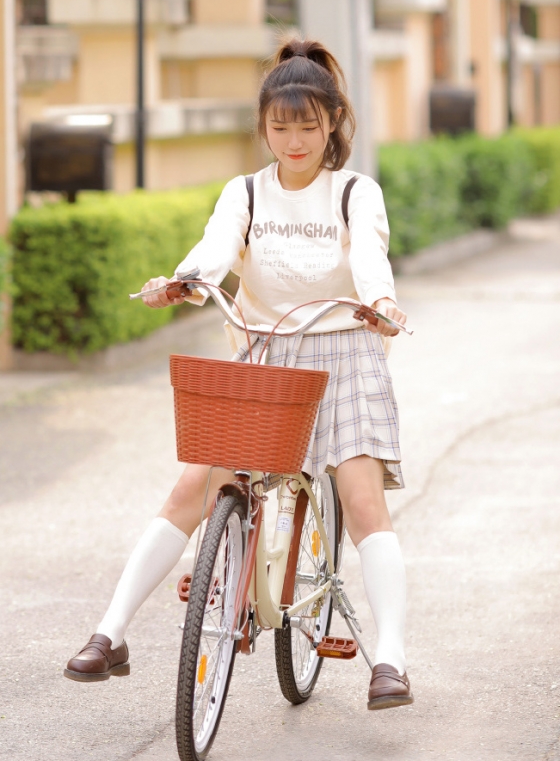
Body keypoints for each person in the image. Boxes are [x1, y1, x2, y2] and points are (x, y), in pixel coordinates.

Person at [65, 38, 413, 711]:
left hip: (345, 353)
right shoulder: (245, 192)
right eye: (280, 126)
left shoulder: (353, 194)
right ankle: (110, 633)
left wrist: (383, 304)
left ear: (333, 122)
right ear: (263, 126)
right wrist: (184, 281)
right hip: (266, 355)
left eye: (307, 125)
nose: (293, 139)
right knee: (193, 486)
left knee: (365, 500)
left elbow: (370, 260)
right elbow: (216, 249)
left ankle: (391, 658)